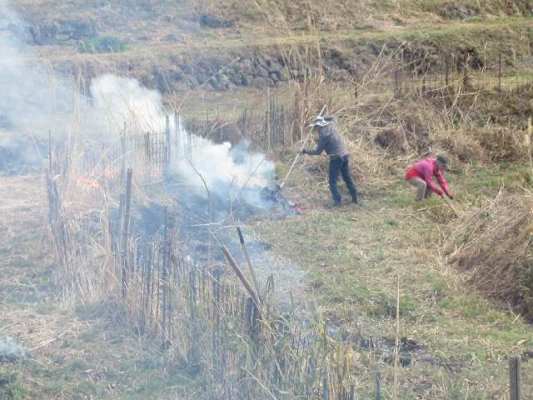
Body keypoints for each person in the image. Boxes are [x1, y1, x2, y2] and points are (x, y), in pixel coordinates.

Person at [302, 116, 358, 206]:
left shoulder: (323, 135)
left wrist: (305, 151)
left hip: (336, 158)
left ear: (319, 127)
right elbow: (333, 118)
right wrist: (324, 117)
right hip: (345, 155)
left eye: (315, 127)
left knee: (332, 181)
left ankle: (337, 202)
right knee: (347, 178)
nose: (315, 129)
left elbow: (317, 152)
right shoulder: (332, 126)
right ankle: (355, 198)